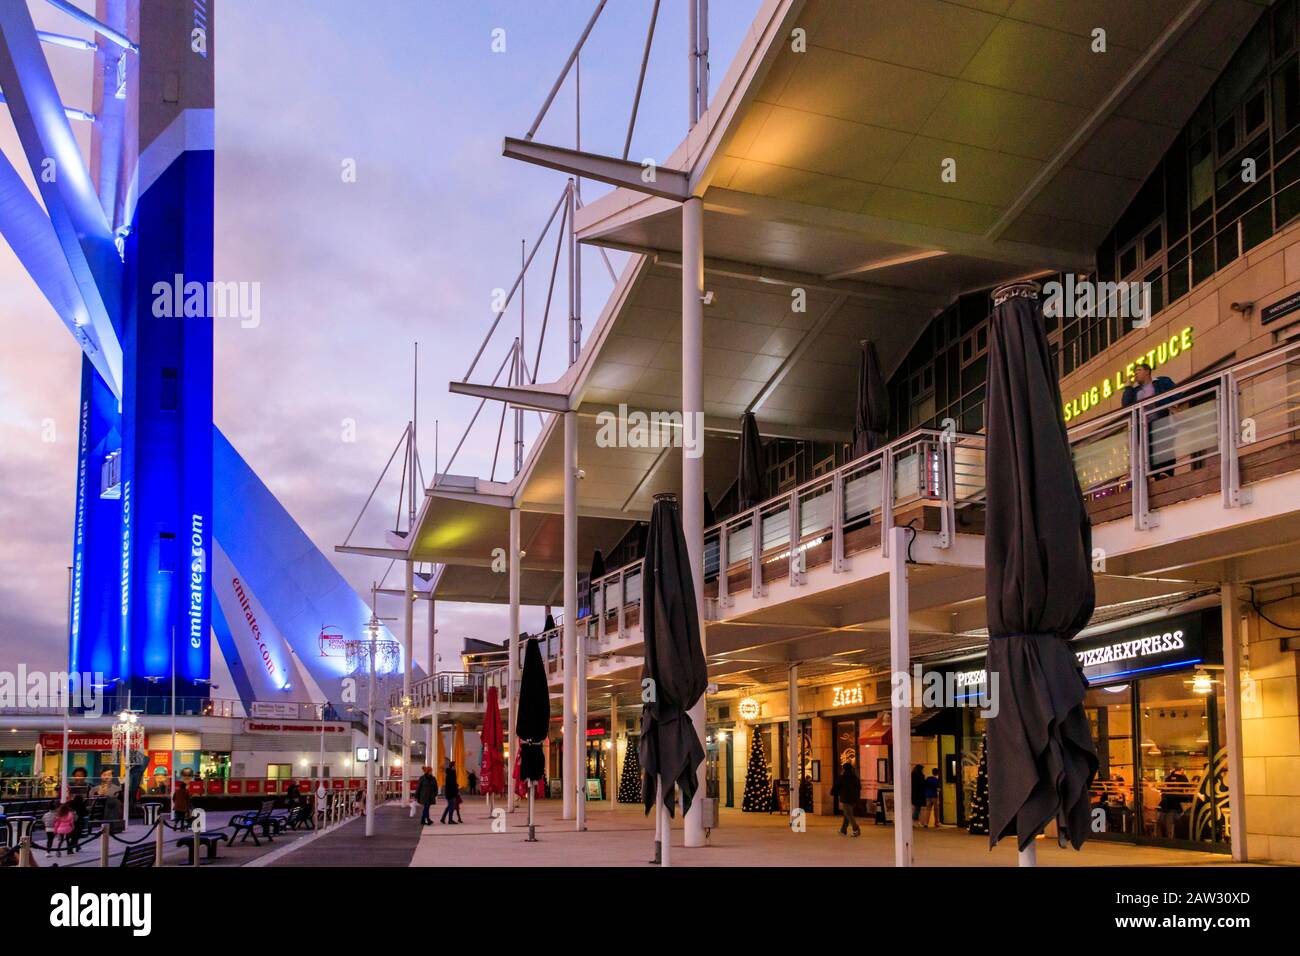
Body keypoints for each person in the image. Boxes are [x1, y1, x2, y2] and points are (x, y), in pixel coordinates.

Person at [1121, 362, 1178, 477]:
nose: (1136, 374)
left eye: (1139, 370)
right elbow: (1126, 406)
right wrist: (1128, 387)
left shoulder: (1161, 382)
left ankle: (1166, 473)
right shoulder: (1134, 391)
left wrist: (1173, 404)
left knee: (1165, 447)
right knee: (1148, 452)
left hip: (1161, 421)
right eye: (1135, 372)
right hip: (1143, 427)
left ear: (1147, 371)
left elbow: (1177, 393)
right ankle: (1153, 475)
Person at [1159, 766, 1191, 838]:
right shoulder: (1183, 778)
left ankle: (1169, 836)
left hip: (1168, 803)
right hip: (1179, 802)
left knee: (1169, 821)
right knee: (1179, 820)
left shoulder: (1168, 778)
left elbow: (1164, 788)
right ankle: (1178, 835)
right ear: (1181, 770)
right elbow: (1187, 789)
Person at [834, 762, 861, 837]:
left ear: (844, 769)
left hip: (845, 798)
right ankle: (843, 829)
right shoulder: (855, 777)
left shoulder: (842, 777)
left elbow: (837, 786)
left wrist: (833, 792)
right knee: (847, 813)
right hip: (854, 798)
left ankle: (856, 829)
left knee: (848, 814)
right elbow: (859, 787)